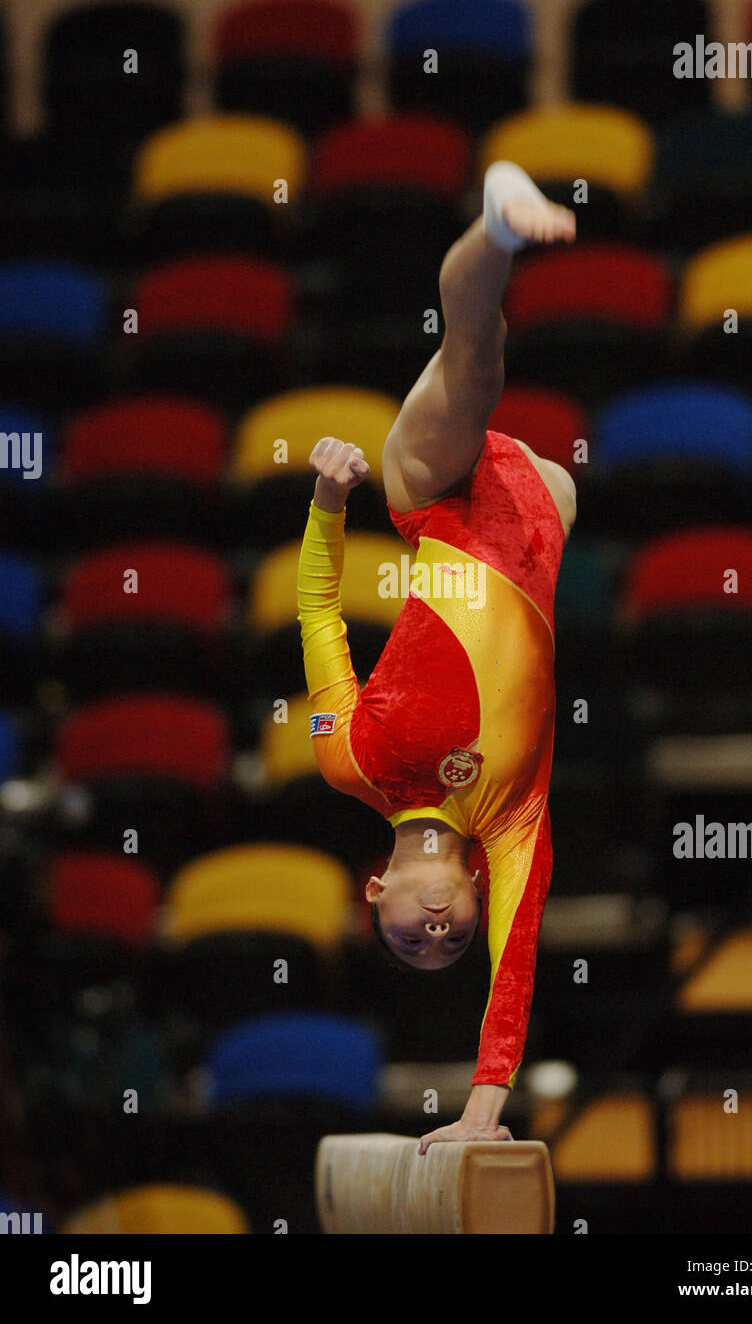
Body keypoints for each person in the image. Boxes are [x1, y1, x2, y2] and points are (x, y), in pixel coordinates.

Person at [297, 162, 577, 1154]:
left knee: (476, 357)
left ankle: (496, 225)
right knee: (480, 365)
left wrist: (328, 504)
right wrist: (482, 1105)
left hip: (434, 500)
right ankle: (494, 240)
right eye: (446, 939)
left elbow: (319, 614)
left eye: (413, 937)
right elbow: (517, 957)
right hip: (539, 523)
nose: (439, 935)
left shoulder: (353, 763)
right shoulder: (506, 825)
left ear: (376, 892)